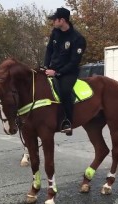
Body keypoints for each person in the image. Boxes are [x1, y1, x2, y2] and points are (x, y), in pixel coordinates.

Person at [44, 7, 86, 136]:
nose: (53, 22)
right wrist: (46, 66)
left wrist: (57, 73)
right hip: (52, 69)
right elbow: (49, 50)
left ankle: (67, 121)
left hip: (68, 73)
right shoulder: (55, 32)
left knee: (65, 91)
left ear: (62, 20)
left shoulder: (78, 39)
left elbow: (74, 63)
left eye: (55, 20)